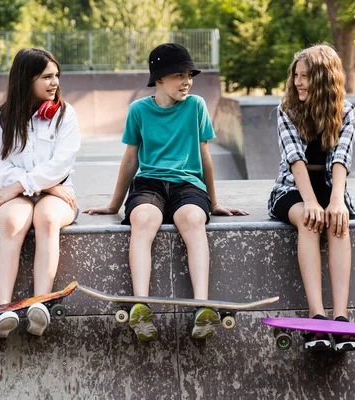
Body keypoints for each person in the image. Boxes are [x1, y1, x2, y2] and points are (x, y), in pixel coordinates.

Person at [85, 43, 247, 341]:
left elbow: (205, 156)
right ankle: (141, 305)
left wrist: (214, 202)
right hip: (149, 184)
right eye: (178, 75)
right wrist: (113, 205)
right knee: (144, 219)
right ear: (158, 79)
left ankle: (202, 306)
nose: (186, 81)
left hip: (188, 184)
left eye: (189, 75)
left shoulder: (196, 106)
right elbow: (131, 159)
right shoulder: (138, 111)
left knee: (193, 219)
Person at [267, 44, 355, 352]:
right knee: (309, 223)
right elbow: (295, 159)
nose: (299, 83)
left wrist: (336, 202)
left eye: (306, 76)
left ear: (323, 79)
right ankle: (316, 316)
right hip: (293, 187)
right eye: (297, 76)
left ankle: (341, 319)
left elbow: (341, 159)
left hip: (329, 184)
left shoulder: (345, 110)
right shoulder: (287, 110)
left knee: (338, 224)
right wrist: (309, 201)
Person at [0, 48, 81, 338]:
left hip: (59, 195)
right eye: (46, 77)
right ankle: (3, 309)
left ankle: (40, 304)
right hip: (28, 192)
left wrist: (25, 184)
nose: (54, 83)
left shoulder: (65, 114)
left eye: (56, 76)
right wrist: (40, 184)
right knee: (14, 222)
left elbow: (62, 162)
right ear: (26, 80)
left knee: (47, 218)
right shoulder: (2, 118)